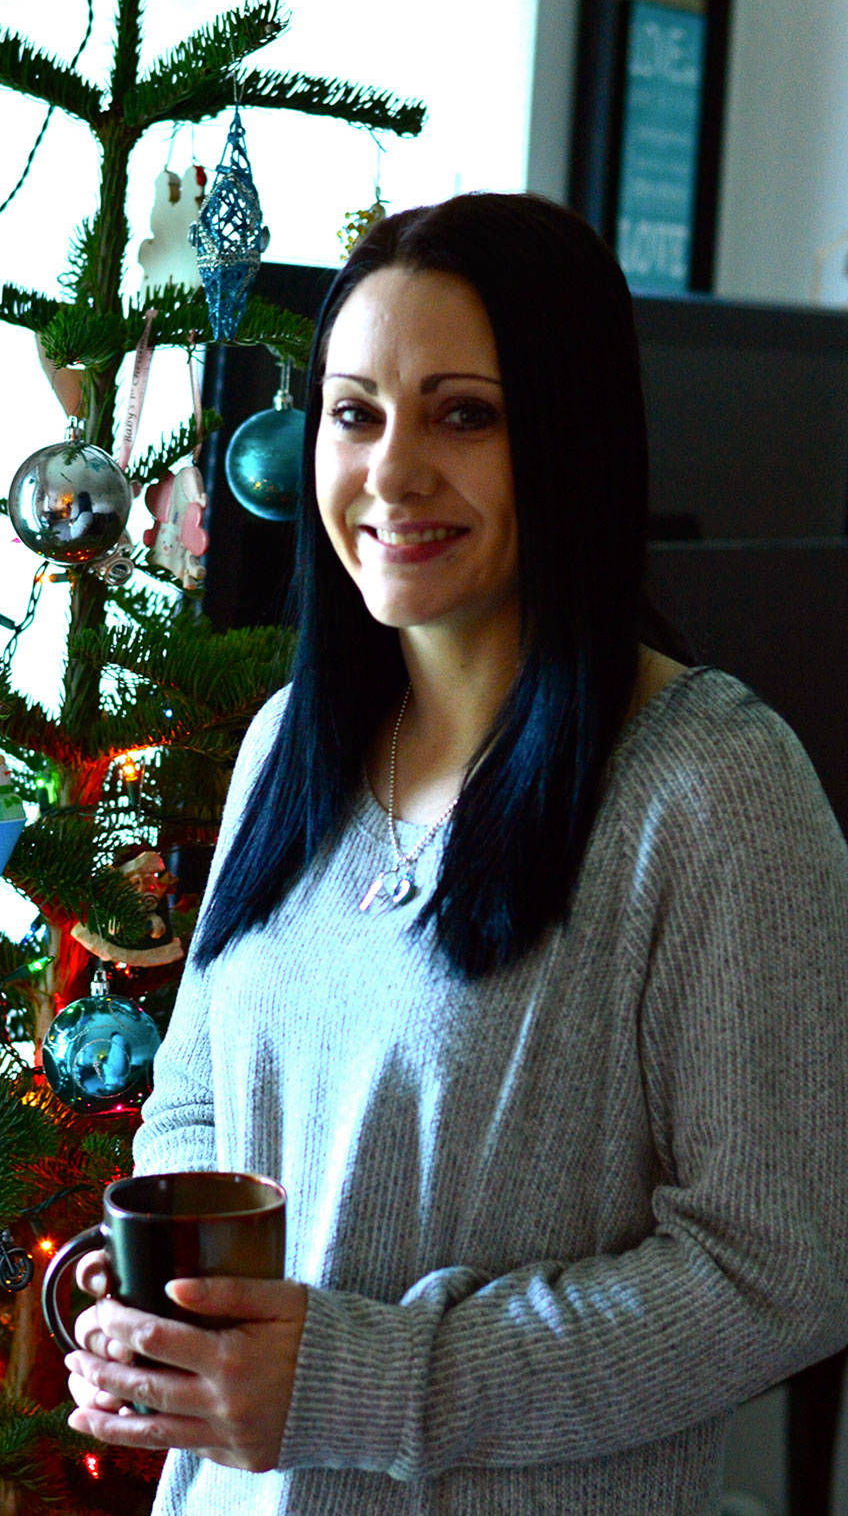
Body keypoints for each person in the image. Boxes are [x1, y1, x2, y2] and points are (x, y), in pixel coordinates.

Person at [63, 193, 848, 1513]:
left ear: (570, 438)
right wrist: (153, 1296)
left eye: (463, 415)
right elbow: (196, 1106)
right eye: (355, 413)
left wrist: (361, 1380)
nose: (392, 472)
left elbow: (782, 1268)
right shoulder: (286, 745)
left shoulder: (709, 789)